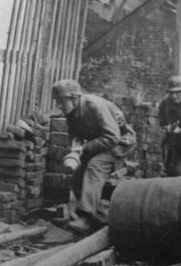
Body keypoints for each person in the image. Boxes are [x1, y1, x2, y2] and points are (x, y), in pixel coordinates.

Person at [51, 79, 136, 234]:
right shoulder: (72, 111)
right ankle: (92, 218)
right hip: (99, 143)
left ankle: (87, 218)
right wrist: (75, 149)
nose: (58, 105)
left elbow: (112, 138)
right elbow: (74, 133)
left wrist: (84, 148)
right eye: (57, 101)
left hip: (119, 144)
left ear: (74, 98)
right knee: (77, 176)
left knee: (95, 167)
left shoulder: (95, 106)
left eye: (61, 101)